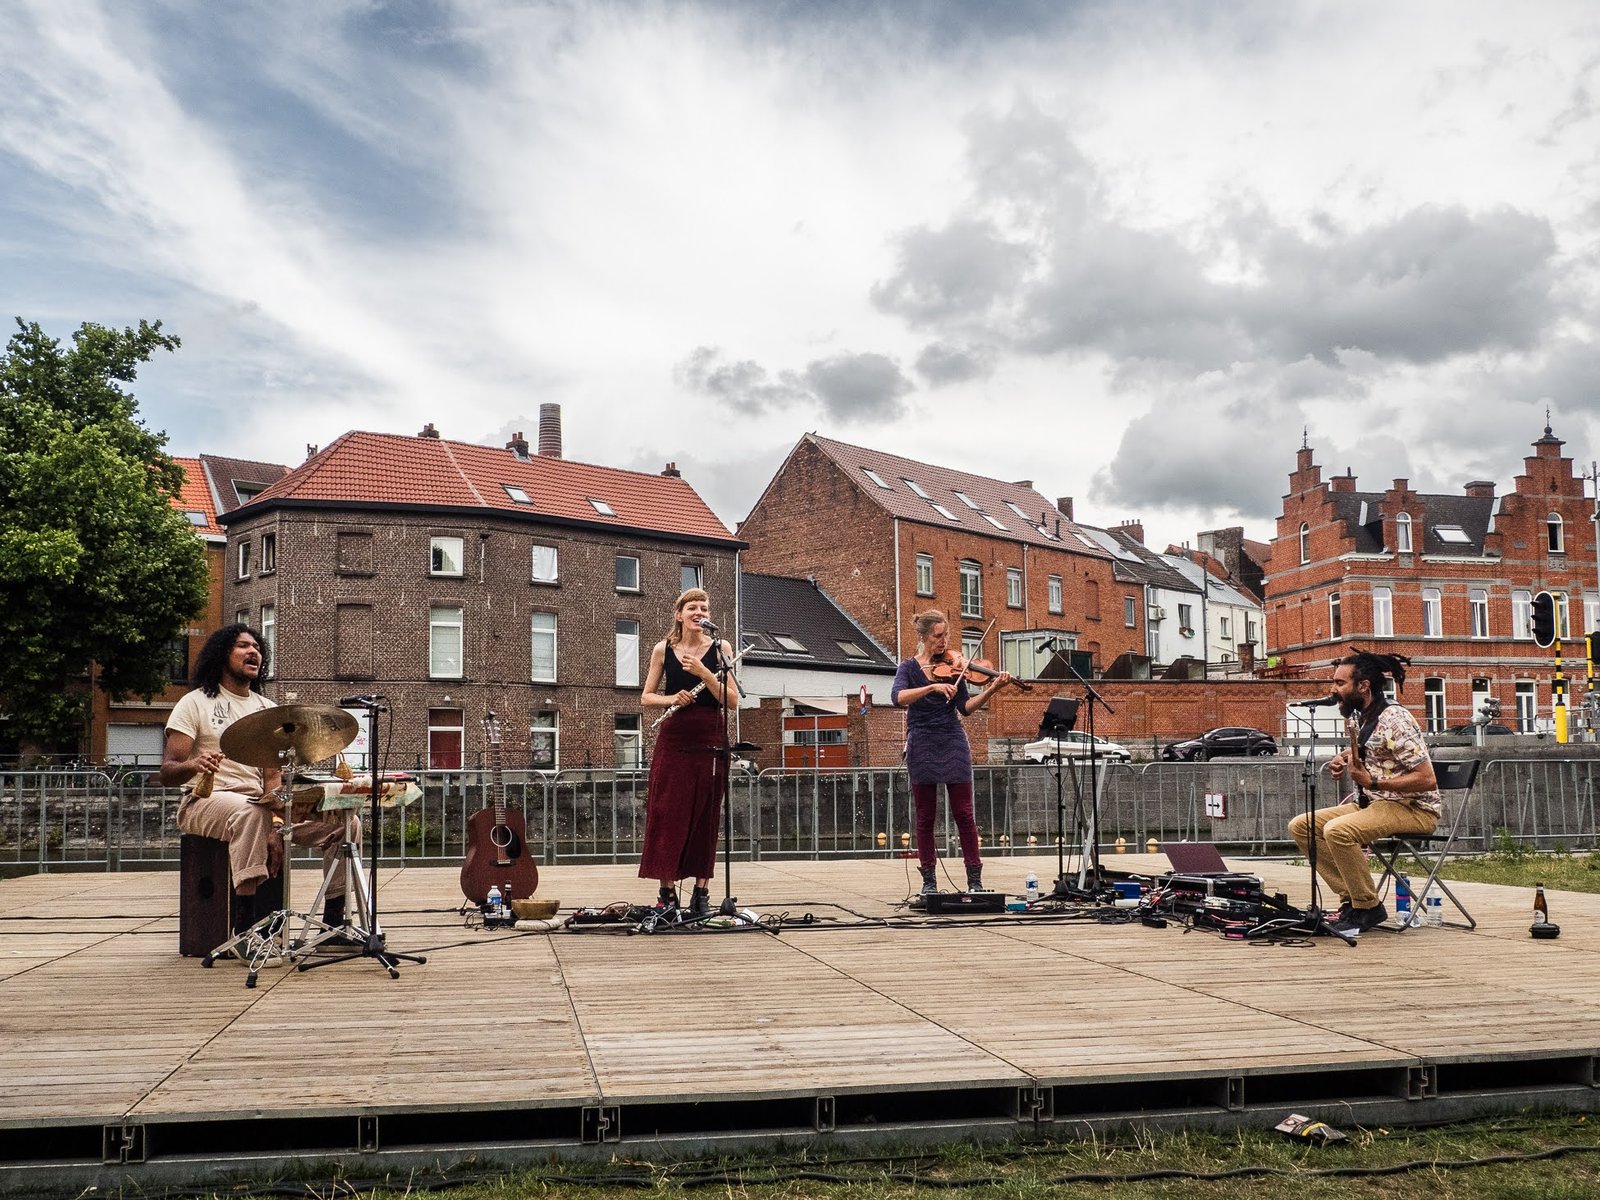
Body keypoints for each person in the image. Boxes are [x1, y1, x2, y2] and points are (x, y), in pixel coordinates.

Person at [160, 624, 354, 936]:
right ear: (222, 654)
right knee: (251, 813)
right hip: (205, 800)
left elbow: (272, 780)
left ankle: (333, 922)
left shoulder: (268, 710)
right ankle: (245, 928)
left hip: (260, 804)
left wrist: (277, 825)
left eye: (258, 648)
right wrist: (195, 764)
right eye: (243, 645)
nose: (253, 651)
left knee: (344, 822)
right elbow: (168, 772)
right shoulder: (194, 702)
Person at [1288, 650, 1439, 934]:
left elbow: (1427, 778)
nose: (1333, 690)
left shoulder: (1395, 719)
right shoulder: (1366, 716)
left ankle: (1367, 906)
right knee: (1302, 825)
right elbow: (1376, 749)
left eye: (1340, 683)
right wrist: (1344, 757)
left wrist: (1373, 782)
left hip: (1413, 808)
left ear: (1363, 686)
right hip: (1375, 803)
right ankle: (1352, 900)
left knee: (1337, 831)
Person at [892, 610, 1012, 898]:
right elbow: (897, 698)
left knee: (965, 813)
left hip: (952, 738)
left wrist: (992, 689)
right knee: (925, 816)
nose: (944, 641)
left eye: (946, 635)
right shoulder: (908, 668)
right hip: (922, 740)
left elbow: (965, 708)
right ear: (923, 636)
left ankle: (975, 880)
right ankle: (929, 881)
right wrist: (932, 686)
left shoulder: (956, 667)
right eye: (938, 636)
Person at [639, 588, 740, 916]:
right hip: (675, 738)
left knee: (705, 817)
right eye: (693, 608)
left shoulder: (722, 648)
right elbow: (647, 697)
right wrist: (673, 698)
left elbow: (733, 701)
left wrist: (704, 673)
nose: (700, 612)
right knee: (667, 813)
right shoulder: (663, 649)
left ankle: (701, 894)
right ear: (679, 615)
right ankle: (667, 895)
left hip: (710, 737)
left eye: (704, 608)